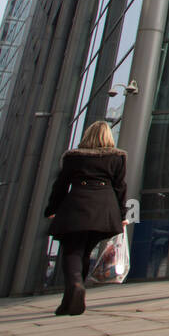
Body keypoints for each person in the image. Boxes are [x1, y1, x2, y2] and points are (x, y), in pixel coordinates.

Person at [44, 120, 128, 316]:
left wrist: (51, 209)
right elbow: (120, 188)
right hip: (104, 208)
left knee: (72, 250)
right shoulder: (117, 157)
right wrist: (122, 214)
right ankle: (71, 298)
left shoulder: (73, 157)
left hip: (77, 204)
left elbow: (61, 185)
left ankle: (75, 286)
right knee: (85, 250)